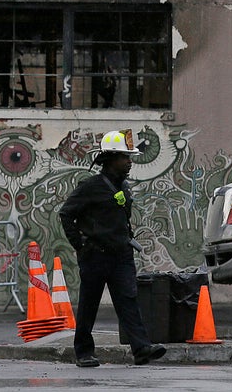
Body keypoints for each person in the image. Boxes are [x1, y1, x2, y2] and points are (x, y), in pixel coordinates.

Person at [59, 129, 167, 368]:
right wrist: (81, 245)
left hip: (121, 255)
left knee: (128, 300)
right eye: (125, 157)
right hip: (95, 256)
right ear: (110, 160)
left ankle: (141, 349)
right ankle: (84, 352)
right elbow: (66, 214)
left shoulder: (123, 187)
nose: (130, 162)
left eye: (129, 157)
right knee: (89, 304)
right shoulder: (91, 186)